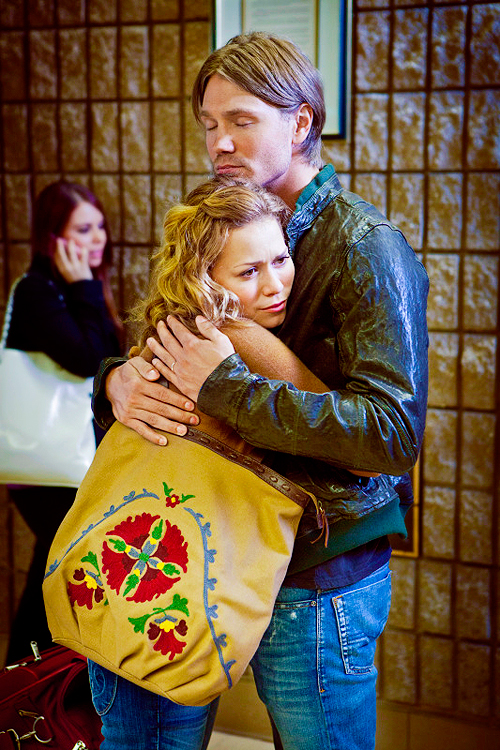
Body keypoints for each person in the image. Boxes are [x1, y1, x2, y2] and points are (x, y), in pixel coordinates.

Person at [93, 32, 429, 750]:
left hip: (319, 565)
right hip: (204, 544)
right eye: (209, 123)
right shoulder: (220, 218)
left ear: (301, 122)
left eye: (241, 120)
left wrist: (228, 389)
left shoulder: (365, 246)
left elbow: (392, 434)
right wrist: (116, 380)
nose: (219, 142)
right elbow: (168, 336)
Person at [87, 176, 379, 750]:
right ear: (204, 280)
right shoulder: (237, 337)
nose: (275, 285)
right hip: (171, 588)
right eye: (248, 272)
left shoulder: (169, 330)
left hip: (135, 578)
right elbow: (360, 454)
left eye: (281, 259)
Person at [6, 180, 122, 664]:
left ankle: (27, 680)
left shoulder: (72, 289)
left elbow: (105, 360)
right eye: (83, 229)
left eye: (100, 227)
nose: (97, 239)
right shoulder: (38, 290)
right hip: (44, 471)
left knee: (58, 566)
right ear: (52, 237)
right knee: (58, 569)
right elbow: (90, 361)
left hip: (63, 464)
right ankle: (23, 680)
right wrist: (83, 289)